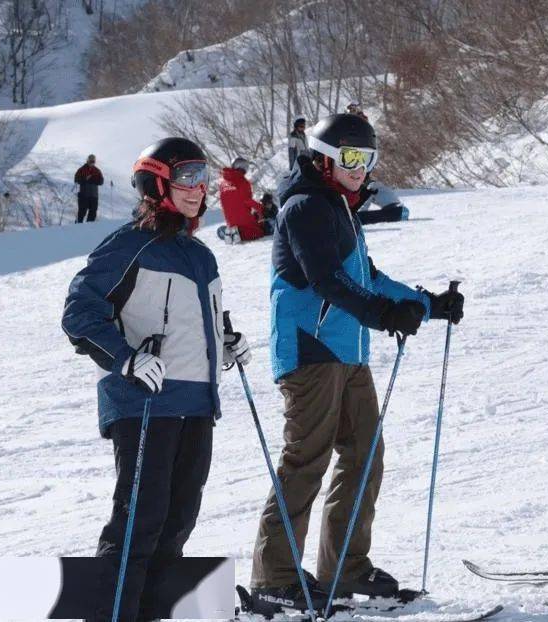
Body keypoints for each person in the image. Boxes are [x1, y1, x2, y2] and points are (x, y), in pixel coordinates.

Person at [248, 113, 464, 614]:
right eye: (349, 158)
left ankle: (344, 566)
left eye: (367, 160)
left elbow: (366, 275)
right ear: (324, 157)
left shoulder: (338, 207)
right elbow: (326, 280)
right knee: (307, 459)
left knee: (365, 454)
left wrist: (427, 304)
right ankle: (275, 573)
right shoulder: (305, 207)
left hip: (348, 353)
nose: (360, 169)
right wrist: (381, 314)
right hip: (309, 350)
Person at [61, 137, 251, 621]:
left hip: (196, 405)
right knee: (137, 527)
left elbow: (196, 322)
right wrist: (125, 359)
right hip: (145, 405)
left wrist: (225, 343)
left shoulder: (200, 255)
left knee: (177, 525)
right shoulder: (129, 246)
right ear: (157, 183)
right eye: (185, 176)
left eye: (201, 176)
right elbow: (80, 313)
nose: (197, 187)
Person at [218, 157, 274, 242]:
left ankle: (231, 231)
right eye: (244, 166)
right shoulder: (243, 181)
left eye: (246, 166)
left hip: (231, 222)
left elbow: (226, 203)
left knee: (253, 219)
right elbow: (247, 201)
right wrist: (262, 209)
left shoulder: (222, 183)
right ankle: (241, 233)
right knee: (260, 231)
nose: (245, 168)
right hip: (245, 221)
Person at [74, 154, 105, 222]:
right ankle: (78, 227)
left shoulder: (97, 171)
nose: (92, 163)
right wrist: (85, 179)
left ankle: (89, 227)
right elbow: (76, 179)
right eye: (91, 161)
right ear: (87, 160)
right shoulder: (81, 169)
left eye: (93, 161)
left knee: (93, 213)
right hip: (84, 194)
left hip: (94, 195)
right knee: (82, 212)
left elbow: (101, 181)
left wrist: (94, 180)